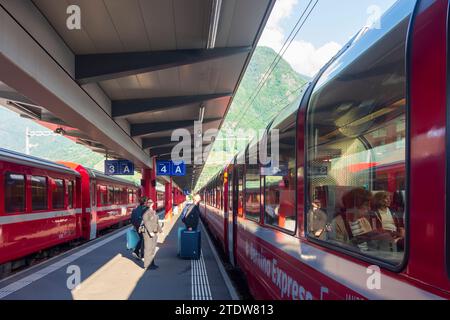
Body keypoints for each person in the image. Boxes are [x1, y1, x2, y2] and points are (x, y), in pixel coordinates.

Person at [140, 198, 163, 270]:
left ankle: (152, 263)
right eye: (149, 202)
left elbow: (156, 221)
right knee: (148, 249)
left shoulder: (152, 211)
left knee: (152, 249)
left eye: (151, 202)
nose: (151, 204)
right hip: (148, 233)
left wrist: (160, 231)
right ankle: (147, 265)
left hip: (154, 232)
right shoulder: (146, 211)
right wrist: (150, 232)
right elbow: (146, 222)